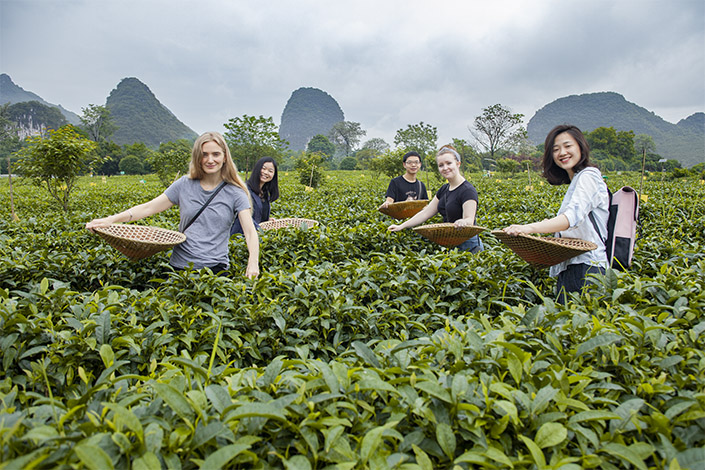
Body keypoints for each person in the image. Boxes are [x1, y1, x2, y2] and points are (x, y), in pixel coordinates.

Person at [86, 131, 259, 278]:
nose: (210, 159)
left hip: (215, 269)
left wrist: (253, 263)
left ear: (224, 157)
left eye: (216, 154)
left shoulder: (235, 192)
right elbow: (148, 207)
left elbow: (250, 231)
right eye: (204, 154)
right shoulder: (184, 184)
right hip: (179, 266)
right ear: (198, 158)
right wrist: (111, 220)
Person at [502, 124, 609, 302]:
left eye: (568, 146)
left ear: (581, 147)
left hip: (588, 268)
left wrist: (529, 228)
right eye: (556, 149)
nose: (562, 153)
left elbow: (570, 218)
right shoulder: (576, 180)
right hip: (573, 267)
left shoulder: (588, 176)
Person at [388, 145, 483, 253]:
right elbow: (426, 213)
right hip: (450, 242)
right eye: (441, 165)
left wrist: (463, 222)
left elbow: (469, 220)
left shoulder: (467, 190)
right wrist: (401, 226)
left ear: (458, 164)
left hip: (468, 244)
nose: (445, 168)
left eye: (449, 163)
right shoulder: (444, 189)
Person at [231, 156, 279, 234]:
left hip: (257, 235)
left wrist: (267, 220)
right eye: (263, 168)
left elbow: (258, 215)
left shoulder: (265, 193)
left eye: (270, 171)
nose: (266, 172)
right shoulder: (245, 190)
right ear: (257, 169)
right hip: (242, 236)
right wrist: (261, 229)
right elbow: (244, 217)